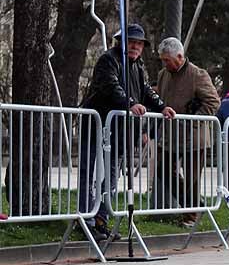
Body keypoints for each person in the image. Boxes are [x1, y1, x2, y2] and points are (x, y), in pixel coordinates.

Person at [78, 24, 175, 237]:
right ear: (121, 42)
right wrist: (130, 103)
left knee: (112, 175)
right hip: (97, 125)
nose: (135, 47)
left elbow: (146, 90)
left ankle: (101, 218)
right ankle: (86, 219)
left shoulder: (137, 65)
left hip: (120, 131)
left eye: (139, 43)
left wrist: (161, 106)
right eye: (131, 42)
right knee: (88, 172)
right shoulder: (108, 60)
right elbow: (111, 86)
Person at [155, 37, 221, 228]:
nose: (165, 63)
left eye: (167, 60)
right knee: (164, 170)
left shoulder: (197, 75)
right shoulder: (163, 74)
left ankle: (191, 216)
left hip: (194, 137)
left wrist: (193, 120)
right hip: (170, 135)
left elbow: (213, 102)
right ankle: (193, 206)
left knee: (192, 178)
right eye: (163, 60)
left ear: (180, 56)